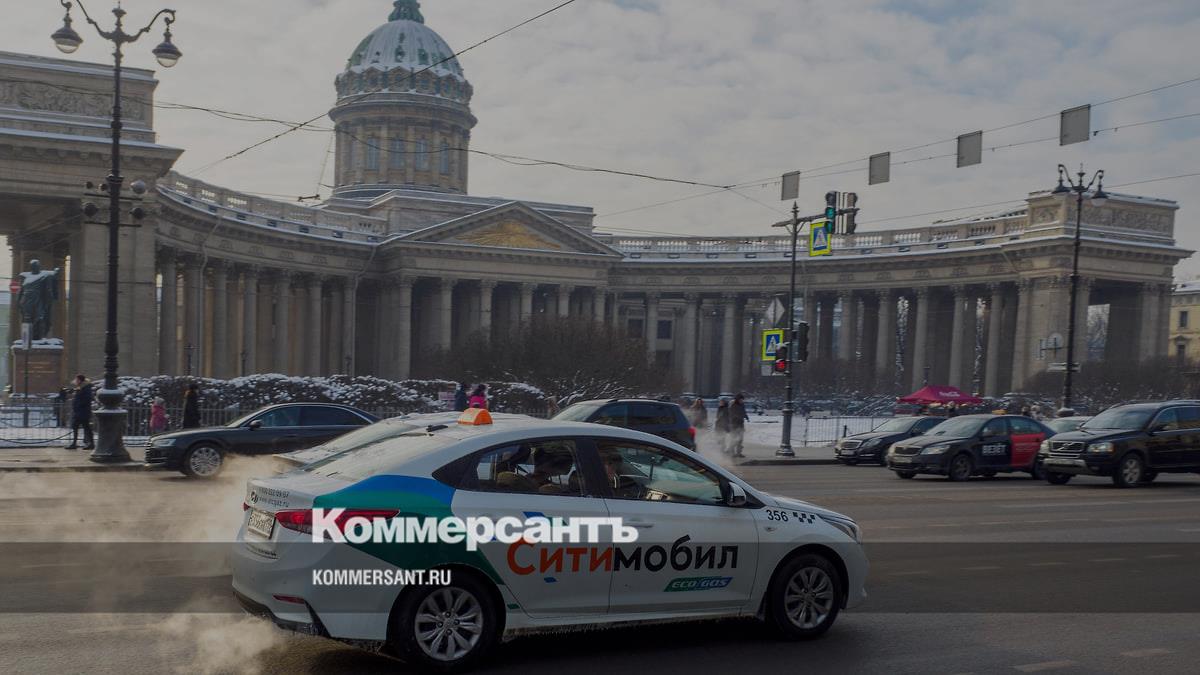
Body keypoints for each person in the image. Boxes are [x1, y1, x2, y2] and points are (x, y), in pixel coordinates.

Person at [65, 374, 94, 450]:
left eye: (77, 379)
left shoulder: (86, 388)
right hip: (79, 412)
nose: (76, 381)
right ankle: (75, 443)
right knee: (76, 427)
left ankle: (91, 444)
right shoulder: (80, 387)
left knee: (86, 428)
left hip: (83, 412)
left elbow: (87, 399)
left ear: (80, 380)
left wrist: (79, 405)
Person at [728, 393, 750, 457]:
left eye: (742, 400)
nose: (742, 401)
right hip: (734, 424)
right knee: (734, 438)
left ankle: (739, 453)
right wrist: (740, 416)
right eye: (741, 399)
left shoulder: (742, 405)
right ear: (737, 399)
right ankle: (732, 452)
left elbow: (744, 411)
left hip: (741, 423)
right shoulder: (733, 405)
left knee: (740, 439)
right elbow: (732, 414)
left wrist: (746, 417)